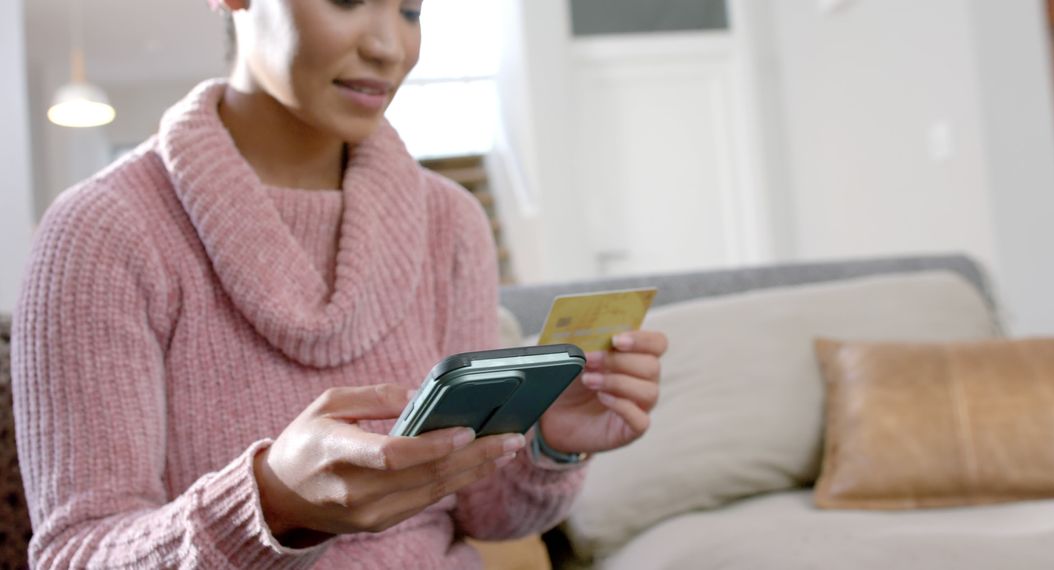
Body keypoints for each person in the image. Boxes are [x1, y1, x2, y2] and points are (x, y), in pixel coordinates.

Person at [11, 0, 668, 567]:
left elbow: (484, 513)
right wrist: (271, 504)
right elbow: (77, 554)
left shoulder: (451, 222)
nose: (389, 46)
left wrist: (550, 445)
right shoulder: (102, 232)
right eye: (348, 0)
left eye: (411, 11)